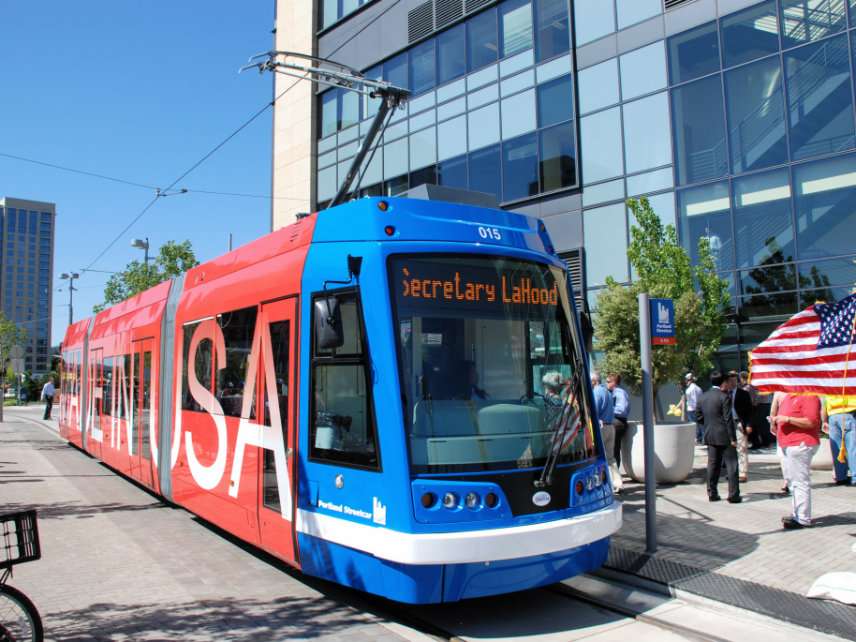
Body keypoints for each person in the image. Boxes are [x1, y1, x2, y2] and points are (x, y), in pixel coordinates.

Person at [771, 393, 822, 529]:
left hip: (800, 444)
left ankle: (803, 518)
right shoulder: (789, 397)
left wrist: (787, 419)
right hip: (789, 443)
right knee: (793, 481)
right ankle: (797, 513)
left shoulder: (809, 396)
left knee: (799, 481)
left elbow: (811, 421)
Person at [696, 371, 741, 503]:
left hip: (710, 434)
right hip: (725, 436)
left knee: (712, 465)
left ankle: (712, 493)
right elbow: (728, 419)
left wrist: (709, 426)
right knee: (732, 465)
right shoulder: (724, 397)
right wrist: (733, 438)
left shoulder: (703, 397)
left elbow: (699, 417)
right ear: (723, 382)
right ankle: (733, 495)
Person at [592, 371, 621, 493]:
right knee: (610, 458)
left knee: (598, 457)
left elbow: (594, 411)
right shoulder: (608, 392)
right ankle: (617, 483)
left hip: (602, 427)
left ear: (594, 381)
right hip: (610, 427)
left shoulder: (597, 392)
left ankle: (603, 484)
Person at [822, 394, 856, 486]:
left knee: (837, 448)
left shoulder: (831, 383)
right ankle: (855, 477)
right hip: (849, 413)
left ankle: (840, 477)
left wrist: (824, 420)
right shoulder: (850, 381)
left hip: (832, 416)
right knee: (852, 448)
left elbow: (824, 403)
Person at [729, 371, 753, 482]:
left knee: (742, 448)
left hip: (739, 422)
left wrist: (748, 424)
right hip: (728, 424)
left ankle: (743, 472)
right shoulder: (724, 394)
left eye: (734, 379)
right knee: (730, 448)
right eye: (730, 380)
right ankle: (732, 471)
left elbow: (749, 411)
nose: (732, 382)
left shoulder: (743, 394)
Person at [606, 373, 630, 470]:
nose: (606, 383)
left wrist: (608, 409)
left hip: (618, 422)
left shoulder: (619, 393)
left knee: (614, 449)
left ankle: (615, 475)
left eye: (608, 382)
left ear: (614, 382)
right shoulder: (612, 392)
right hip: (615, 422)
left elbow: (622, 410)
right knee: (612, 449)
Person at [682, 373, 704, 444]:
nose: (686, 382)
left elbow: (694, 400)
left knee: (694, 425)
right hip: (698, 408)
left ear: (690, 380)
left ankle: (698, 439)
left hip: (692, 409)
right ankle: (701, 438)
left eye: (687, 380)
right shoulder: (698, 388)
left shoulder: (691, 389)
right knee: (700, 424)